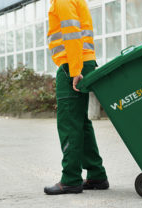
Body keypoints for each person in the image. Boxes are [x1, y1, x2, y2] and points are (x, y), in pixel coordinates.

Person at [44, 0, 108, 195]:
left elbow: (72, 34)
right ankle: (96, 174)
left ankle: (71, 179)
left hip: (72, 66)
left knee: (69, 122)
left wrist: (74, 70)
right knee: (80, 122)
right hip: (82, 62)